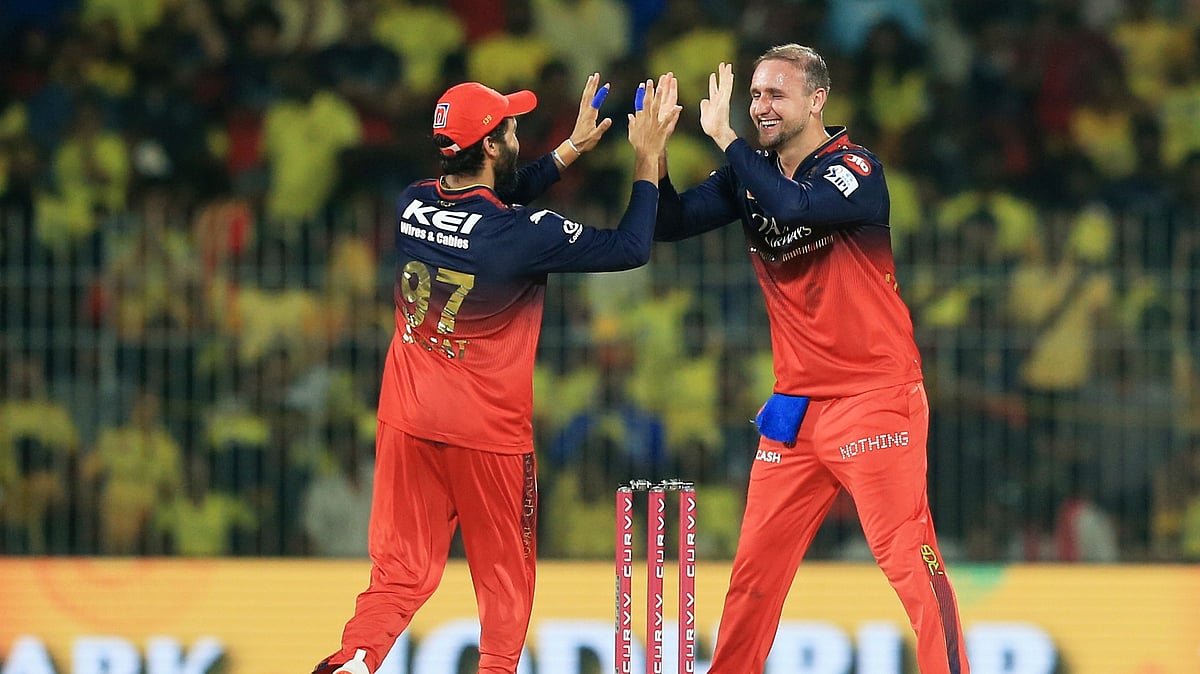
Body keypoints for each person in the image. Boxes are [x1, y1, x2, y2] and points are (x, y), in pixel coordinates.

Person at [310, 72, 681, 674]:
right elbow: (630, 248)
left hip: (407, 417)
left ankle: (355, 657)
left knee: (401, 571)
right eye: (510, 129)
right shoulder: (517, 236)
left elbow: (501, 198)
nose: (517, 137)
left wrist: (569, 150)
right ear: (488, 145)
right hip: (487, 433)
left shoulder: (411, 202)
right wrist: (646, 160)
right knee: (505, 576)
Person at [652, 45, 971, 673]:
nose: (760, 107)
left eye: (776, 94)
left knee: (907, 554)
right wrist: (653, 155)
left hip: (873, 398)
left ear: (816, 100)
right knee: (754, 575)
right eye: (755, 95)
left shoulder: (855, 168)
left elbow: (796, 207)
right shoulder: (752, 170)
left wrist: (725, 141)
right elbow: (671, 221)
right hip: (795, 408)